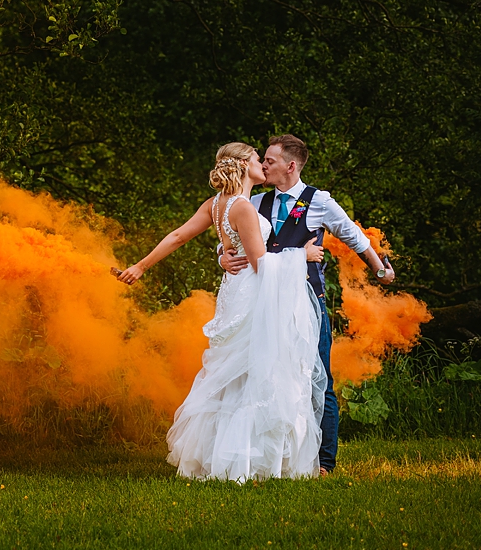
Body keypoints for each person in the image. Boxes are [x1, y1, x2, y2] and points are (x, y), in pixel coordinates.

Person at [117, 142, 328, 481]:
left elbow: (177, 236)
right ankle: (249, 462)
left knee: (235, 374)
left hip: (233, 293)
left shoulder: (216, 204)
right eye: (258, 159)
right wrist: (300, 256)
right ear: (244, 164)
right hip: (252, 295)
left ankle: (222, 458)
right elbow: (261, 264)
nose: (263, 164)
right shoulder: (243, 206)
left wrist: (141, 266)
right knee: (252, 372)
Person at [219, 134, 395, 475]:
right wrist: (222, 259)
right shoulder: (254, 203)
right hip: (266, 306)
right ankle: (276, 456)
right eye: (263, 160)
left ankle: (324, 462)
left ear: (291, 165)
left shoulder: (320, 202)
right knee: (269, 378)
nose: (263, 165)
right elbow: (234, 241)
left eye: (269, 160)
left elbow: (353, 236)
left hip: (307, 303)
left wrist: (379, 268)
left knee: (318, 379)